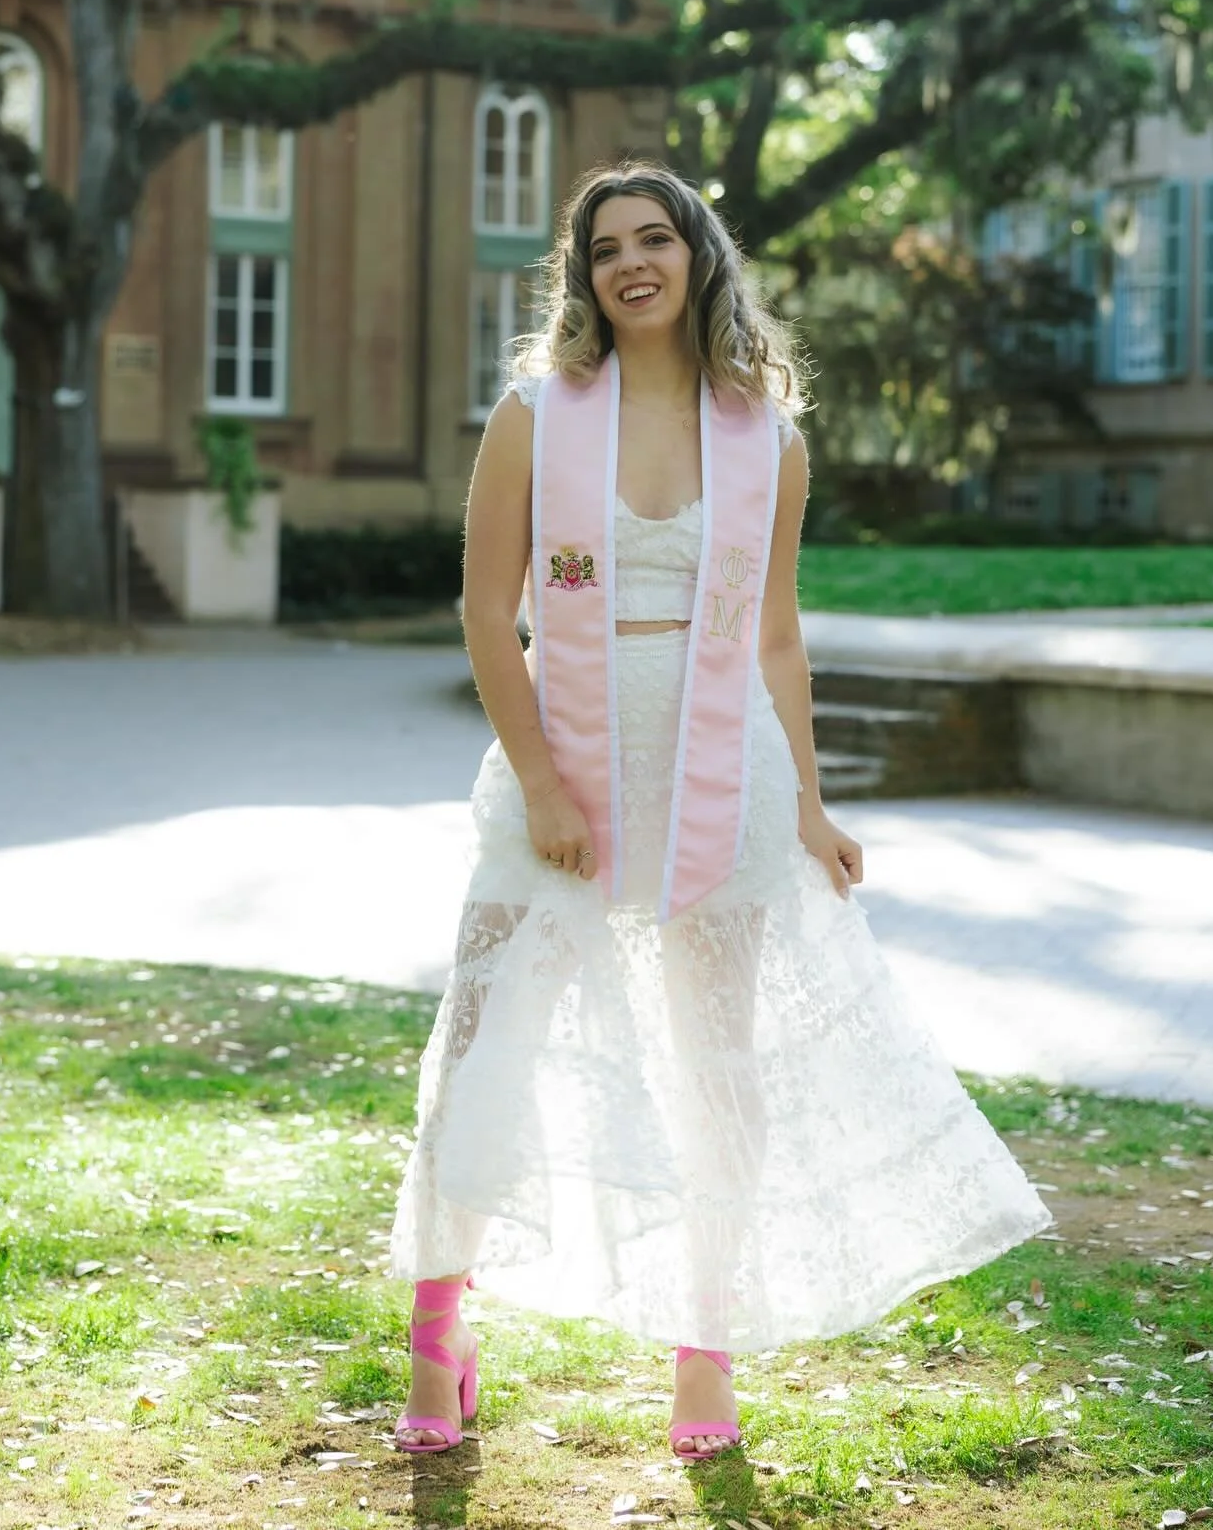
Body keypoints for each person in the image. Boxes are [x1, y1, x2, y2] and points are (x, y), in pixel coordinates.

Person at [388, 162, 1051, 1460]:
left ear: (701, 255)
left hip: (720, 768)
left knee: (716, 1069)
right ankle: (437, 1327)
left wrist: (807, 802)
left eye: (656, 237)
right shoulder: (534, 412)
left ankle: (706, 1349)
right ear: (582, 277)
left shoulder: (768, 435)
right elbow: (485, 611)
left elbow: (779, 637)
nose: (630, 261)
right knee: (485, 1042)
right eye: (603, 246)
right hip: (563, 750)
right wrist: (538, 779)